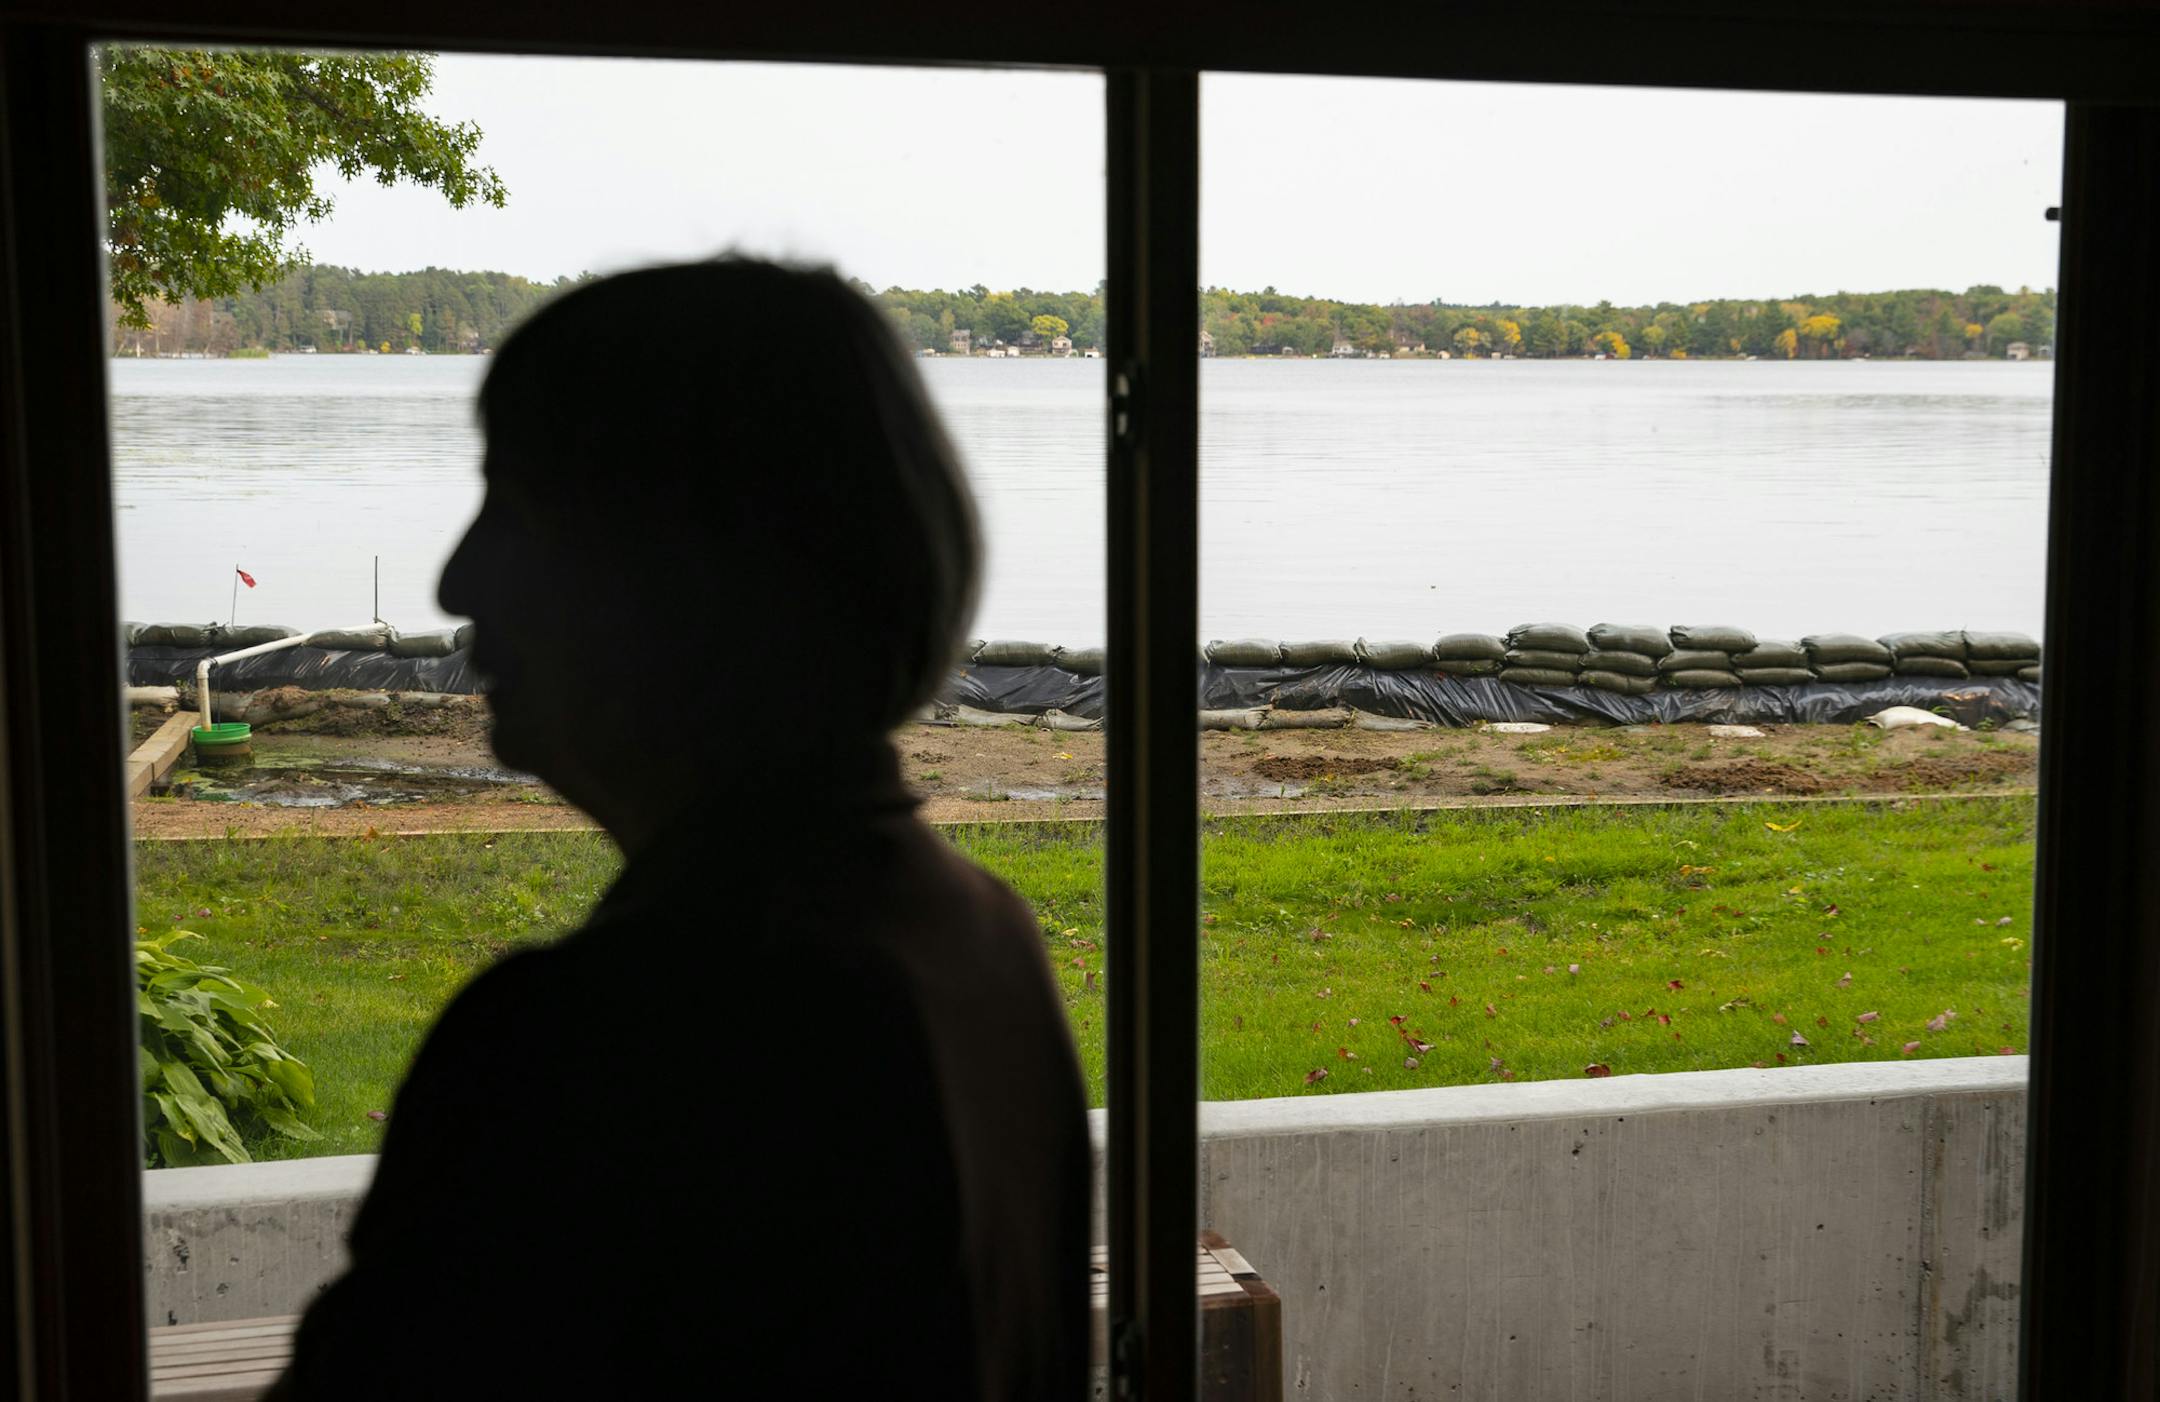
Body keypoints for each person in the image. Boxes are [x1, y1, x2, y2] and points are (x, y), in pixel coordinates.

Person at [268, 261, 1092, 1399]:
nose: (458, 580)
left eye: (520, 503)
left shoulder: (584, 1041)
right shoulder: (984, 943)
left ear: (692, 567)